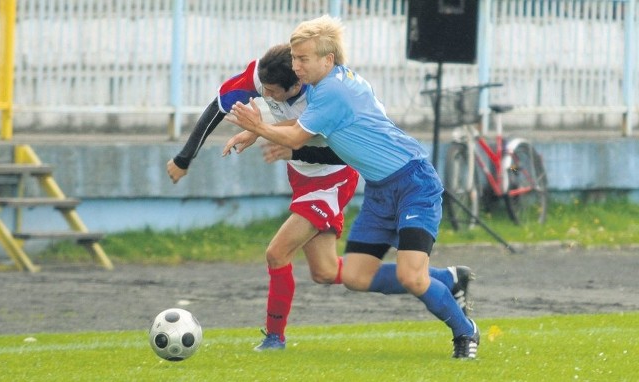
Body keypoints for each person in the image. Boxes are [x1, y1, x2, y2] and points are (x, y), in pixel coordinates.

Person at [168, 44, 474, 354]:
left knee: (277, 252)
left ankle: (275, 339)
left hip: (332, 178)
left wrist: (266, 133)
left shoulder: (322, 94)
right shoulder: (262, 76)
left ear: (298, 83)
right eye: (266, 90)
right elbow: (218, 107)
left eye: (275, 92)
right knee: (326, 272)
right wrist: (184, 158)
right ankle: (445, 278)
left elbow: (339, 151)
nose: (267, 96)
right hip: (302, 179)